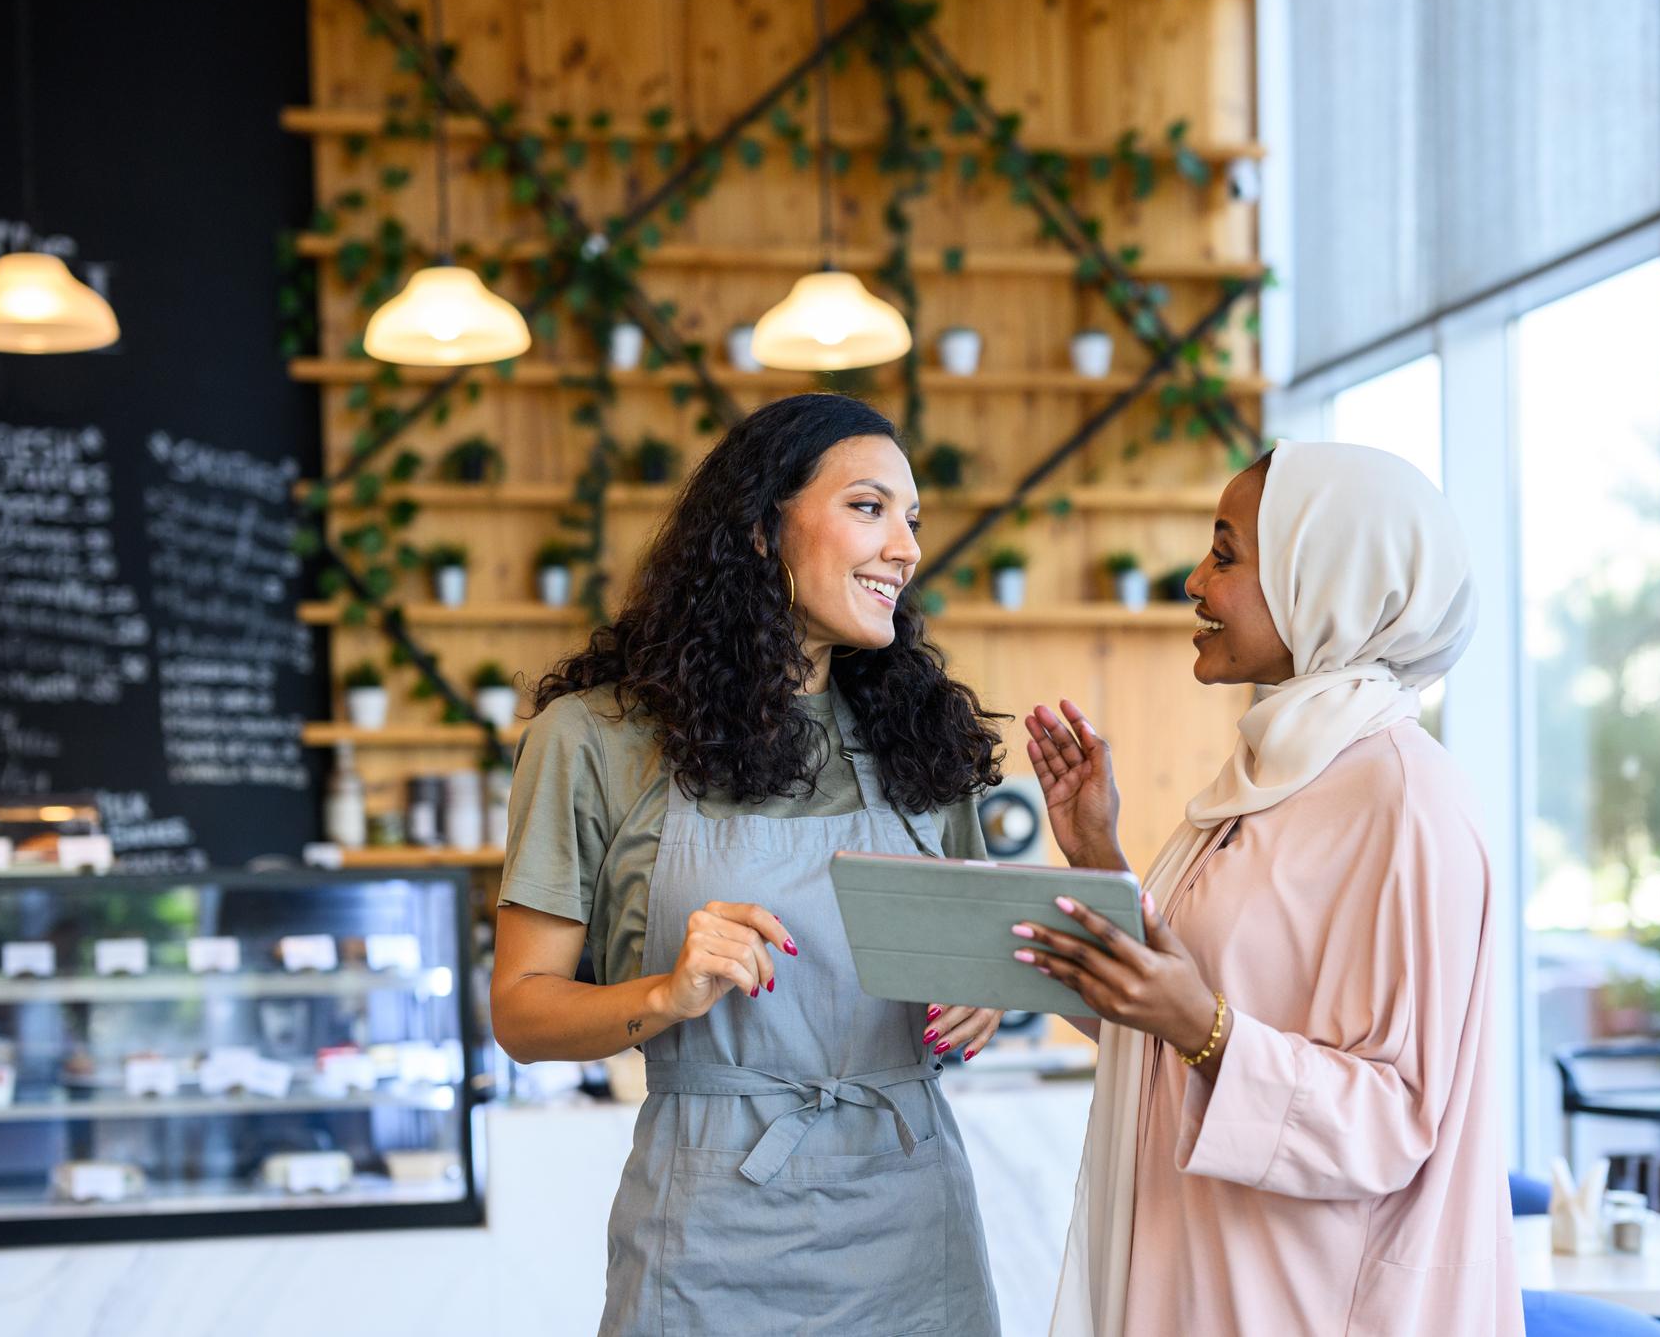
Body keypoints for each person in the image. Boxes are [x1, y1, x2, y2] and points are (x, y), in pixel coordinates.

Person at [491, 393, 1009, 1336]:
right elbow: (522, 1013)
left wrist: (986, 992)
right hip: (707, 1240)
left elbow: (984, 962)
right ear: (764, 525)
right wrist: (666, 994)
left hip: (912, 1224)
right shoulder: (594, 740)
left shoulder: (924, 743)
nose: (905, 547)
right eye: (868, 507)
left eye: (912, 519)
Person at [1015, 441, 1523, 1335]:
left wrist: (1200, 1028)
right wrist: (1094, 847)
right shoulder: (1274, 773)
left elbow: (1393, 1118)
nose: (1194, 584)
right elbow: (1157, 1013)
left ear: (1320, 575)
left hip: (1315, 1296)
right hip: (1199, 1264)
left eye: (1226, 553)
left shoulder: (1402, 795)